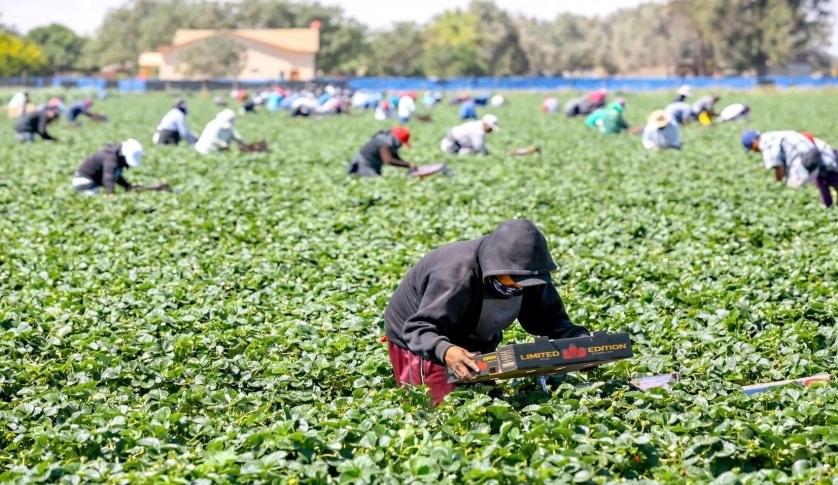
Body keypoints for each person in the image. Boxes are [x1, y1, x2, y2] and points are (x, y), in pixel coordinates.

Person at [383, 218, 592, 404]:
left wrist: (578, 340)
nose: (521, 287)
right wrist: (445, 350)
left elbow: (549, 319)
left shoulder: (527, 274)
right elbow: (419, 328)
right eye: (516, 281)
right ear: (496, 266)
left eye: (526, 282)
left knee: (486, 404)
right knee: (438, 407)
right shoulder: (454, 275)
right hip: (420, 338)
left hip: (474, 336)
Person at [741, 130, 838, 206]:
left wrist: (777, 185)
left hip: (812, 160)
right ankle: (828, 206)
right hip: (818, 156)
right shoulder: (773, 135)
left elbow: (778, 167)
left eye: (752, 148)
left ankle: (824, 207)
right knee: (823, 182)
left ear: (754, 142)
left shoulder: (766, 143)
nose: (755, 151)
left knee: (796, 187)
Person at [72, 139, 143, 197]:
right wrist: (111, 194)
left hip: (90, 181)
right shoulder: (111, 157)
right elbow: (108, 177)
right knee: (94, 199)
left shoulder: (116, 155)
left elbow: (116, 175)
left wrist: (127, 186)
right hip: (84, 181)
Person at [348, 126, 417, 177]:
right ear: (396, 140)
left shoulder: (388, 140)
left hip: (373, 164)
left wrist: (408, 164)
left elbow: (394, 156)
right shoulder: (383, 143)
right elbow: (388, 160)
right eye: (400, 143)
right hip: (364, 164)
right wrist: (408, 165)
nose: (400, 145)